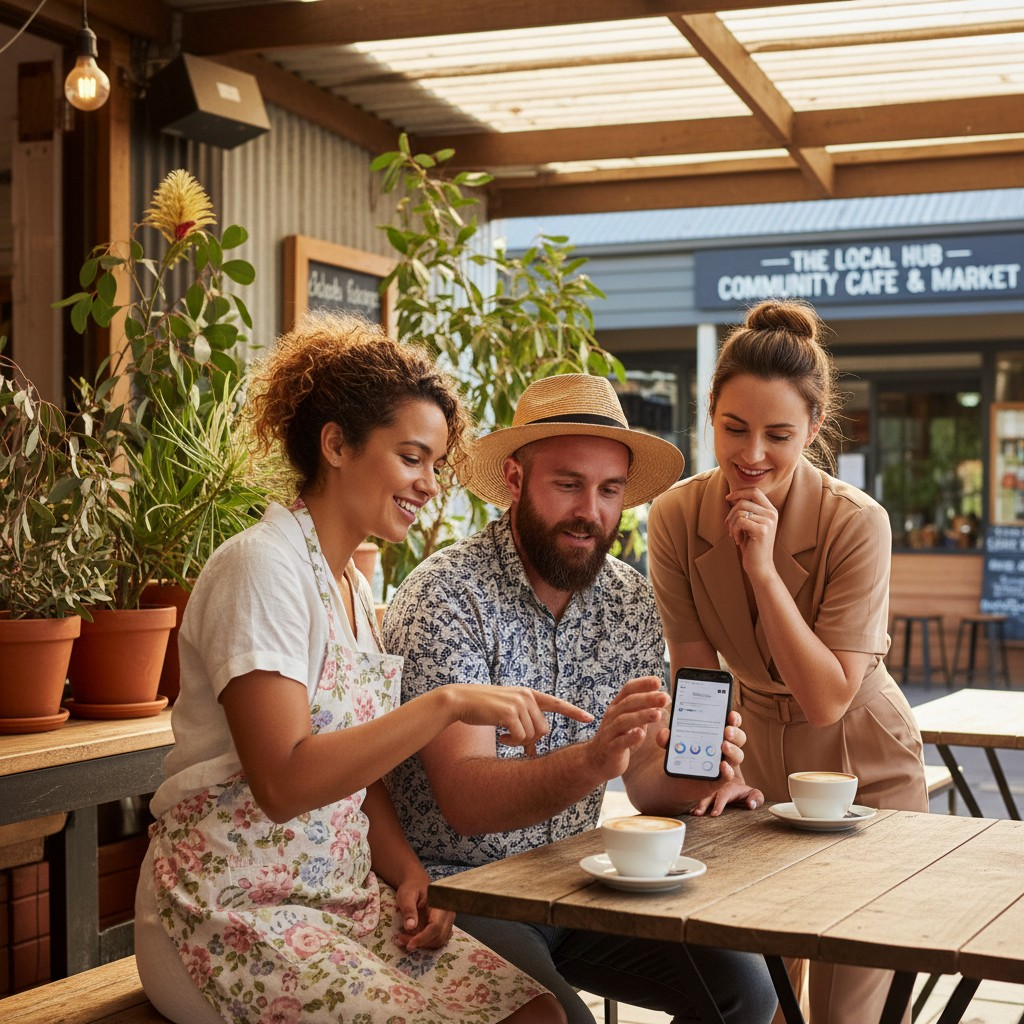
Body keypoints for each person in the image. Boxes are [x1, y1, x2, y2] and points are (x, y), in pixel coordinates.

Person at [134, 312, 590, 1024]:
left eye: (437, 465)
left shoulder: (351, 585)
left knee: (536, 1014)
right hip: (232, 907)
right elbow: (285, 781)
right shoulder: (262, 569)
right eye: (412, 458)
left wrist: (409, 875)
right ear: (337, 444)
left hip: (343, 898)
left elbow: (356, 775)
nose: (429, 484)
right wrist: (443, 705)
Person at [384, 373, 778, 1024]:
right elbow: (466, 803)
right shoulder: (445, 598)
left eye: (610, 490)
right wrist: (595, 762)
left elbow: (648, 785)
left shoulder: (628, 600)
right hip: (462, 891)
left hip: (580, 878)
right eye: (568, 484)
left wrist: (697, 769)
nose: (590, 511)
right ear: (514, 480)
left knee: (747, 992)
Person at [646, 300, 928, 1024]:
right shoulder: (676, 516)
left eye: (778, 435)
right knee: (757, 996)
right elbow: (695, 668)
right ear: (709, 414)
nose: (752, 455)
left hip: (863, 762)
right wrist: (713, 765)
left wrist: (764, 571)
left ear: (812, 428)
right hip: (755, 764)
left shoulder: (856, 522)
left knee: (842, 1011)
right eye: (733, 429)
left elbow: (830, 695)